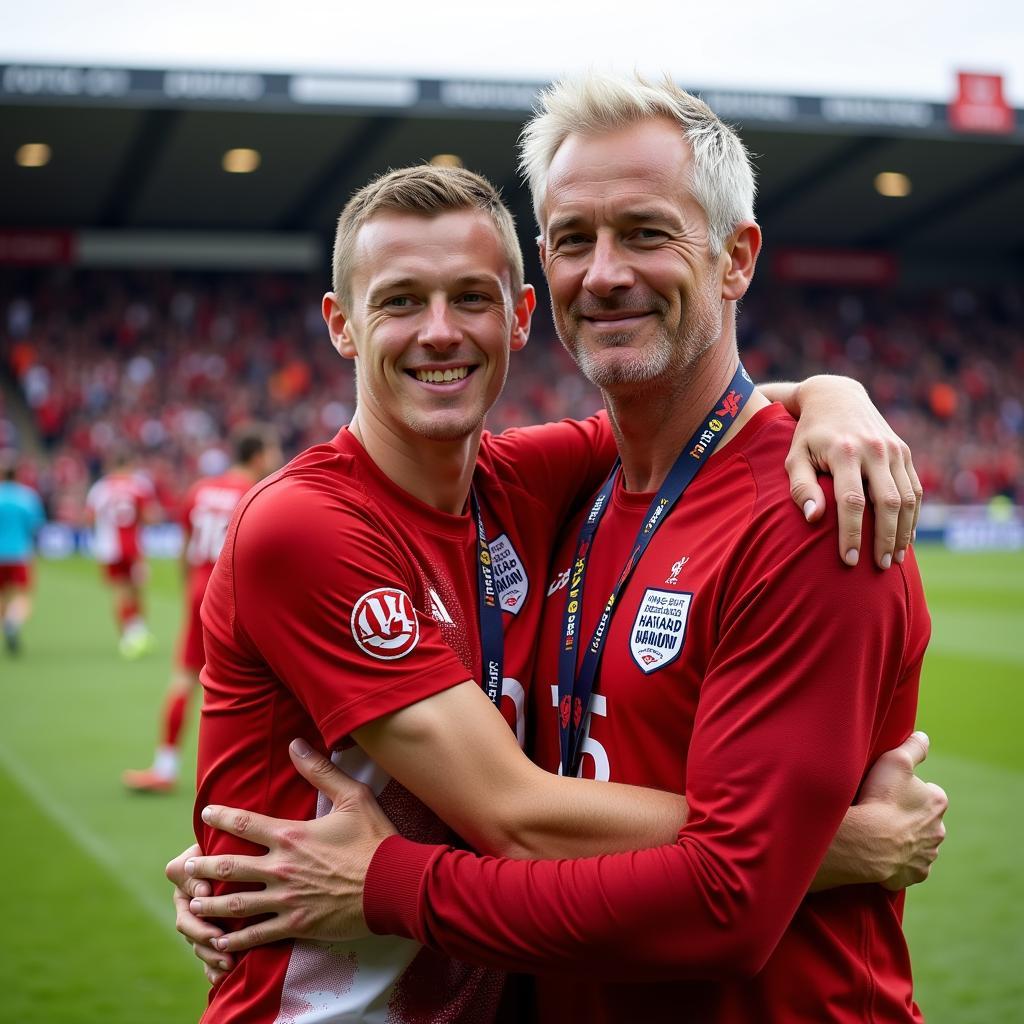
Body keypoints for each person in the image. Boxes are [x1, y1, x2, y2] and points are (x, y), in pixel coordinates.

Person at [169, 160, 942, 1023]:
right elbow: (515, 814)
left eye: (471, 298)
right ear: (342, 325)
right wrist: (821, 846)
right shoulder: (305, 525)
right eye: (398, 301)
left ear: (520, 316)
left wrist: (840, 399)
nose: (438, 332)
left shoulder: (534, 479)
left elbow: (707, 410)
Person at [123, 425, 281, 794]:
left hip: (200, 589)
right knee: (255, 688)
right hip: (237, 595)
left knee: (184, 678)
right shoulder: (259, 492)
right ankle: (254, 778)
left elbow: (185, 547)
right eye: (271, 451)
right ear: (257, 455)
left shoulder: (200, 489)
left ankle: (164, 766)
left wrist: (189, 588)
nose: (276, 459)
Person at [84, 448, 159, 658]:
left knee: (119, 592)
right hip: (134, 549)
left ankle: (128, 635)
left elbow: (88, 518)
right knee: (138, 590)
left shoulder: (100, 488)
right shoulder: (139, 486)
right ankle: (138, 632)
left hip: (108, 549)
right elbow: (150, 516)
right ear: (130, 464)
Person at [0, 454, 46, 654]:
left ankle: (7, 623)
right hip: (19, 554)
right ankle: (12, 621)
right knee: (23, 597)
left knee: (3, 596)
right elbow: (36, 526)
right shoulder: (27, 497)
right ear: (17, 474)